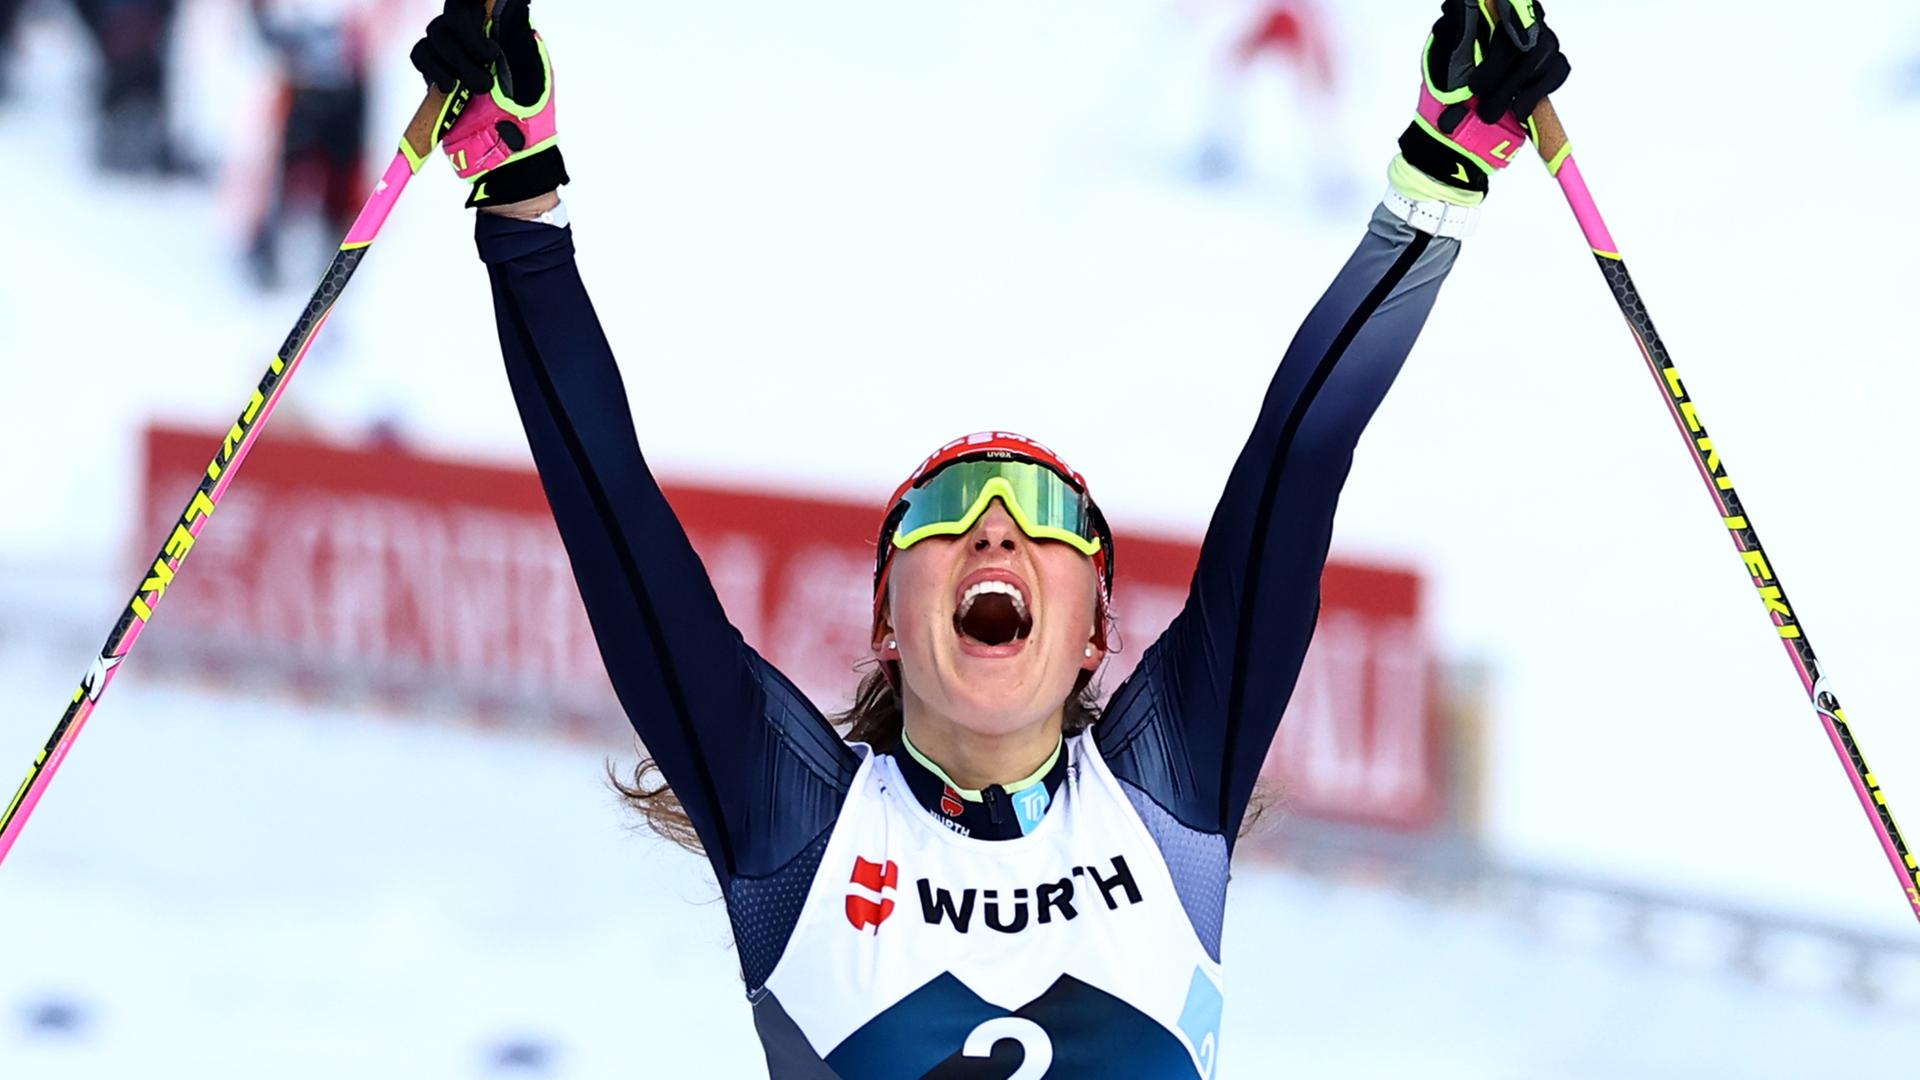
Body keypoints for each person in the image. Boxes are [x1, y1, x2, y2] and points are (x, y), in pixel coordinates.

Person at [410, 0, 1568, 1073]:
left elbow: (1298, 459)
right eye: (945, 513)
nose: (997, 532)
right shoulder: (802, 828)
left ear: (1095, 634)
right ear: (886, 623)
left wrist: (1442, 171)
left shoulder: (1164, 794)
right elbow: (609, 508)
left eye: (1048, 517)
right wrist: (519, 193)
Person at [243, 0, 376, 289]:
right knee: (286, 171)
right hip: (300, 79)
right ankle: (267, 252)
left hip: (348, 77)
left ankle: (338, 260)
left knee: (342, 178)